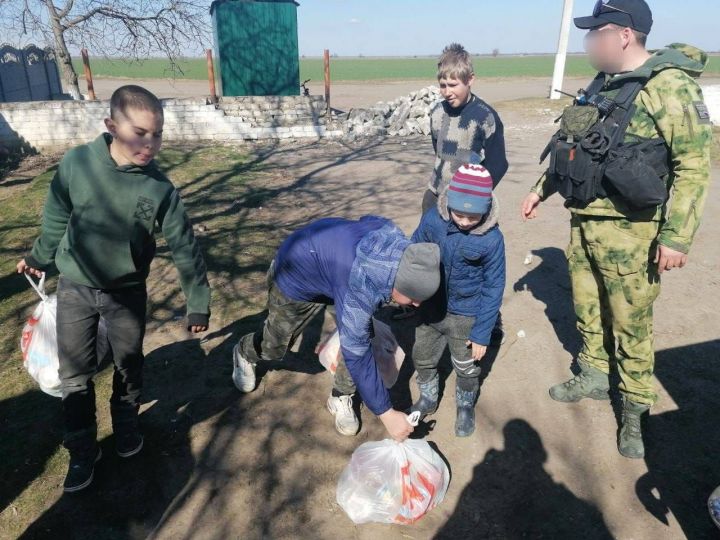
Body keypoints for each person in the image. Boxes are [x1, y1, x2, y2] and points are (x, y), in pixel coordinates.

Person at [520, 0, 712, 459]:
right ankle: (593, 371)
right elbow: (573, 145)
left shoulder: (669, 88)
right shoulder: (602, 85)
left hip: (633, 232)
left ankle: (635, 405)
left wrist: (676, 236)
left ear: (623, 35)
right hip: (584, 223)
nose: (589, 42)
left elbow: (694, 167)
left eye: (595, 32)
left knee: (631, 323)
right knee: (587, 308)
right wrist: (538, 189)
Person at [17, 85, 211, 492]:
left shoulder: (159, 188)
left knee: (128, 364)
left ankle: (126, 427)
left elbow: (184, 246)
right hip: (76, 286)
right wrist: (38, 257)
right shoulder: (77, 164)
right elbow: (55, 217)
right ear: (111, 125)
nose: (150, 143)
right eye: (140, 132)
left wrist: (197, 302)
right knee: (74, 374)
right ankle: (82, 450)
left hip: (126, 293)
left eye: (157, 134)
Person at [231, 216, 441, 442]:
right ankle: (244, 351)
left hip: (334, 273)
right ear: (397, 284)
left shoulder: (393, 238)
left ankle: (341, 395)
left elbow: (369, 220)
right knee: (274, 347)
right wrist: (387, 414)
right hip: (296, 276)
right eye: (413, 298)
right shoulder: (359, 288)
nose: (417, 305)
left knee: (363, 335)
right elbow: (357, 355)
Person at [410, 164, 505, 437]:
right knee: (422, 355)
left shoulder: (492, 240)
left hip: (467, 313)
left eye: (472, 216)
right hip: (431, 307)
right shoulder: (433, 220)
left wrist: (482, 333)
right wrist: (413, 291)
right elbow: (415, 252)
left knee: (466, 365)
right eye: (458, 214)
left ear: (485, 210)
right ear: (448, 203)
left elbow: (494, 285)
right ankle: (428, 396)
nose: (464, 221)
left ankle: (465, 404)